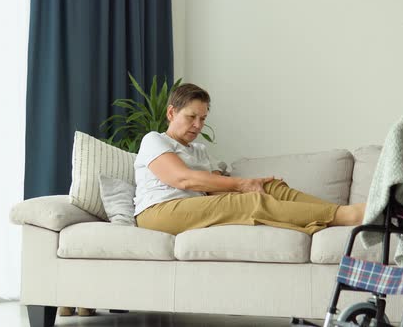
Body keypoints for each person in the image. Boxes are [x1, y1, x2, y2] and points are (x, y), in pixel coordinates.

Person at [134, 83, 365, 236]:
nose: (197, 125)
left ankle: (340, 212)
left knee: (269, 187)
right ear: (171, 113)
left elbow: (215, 191)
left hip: (192, 208)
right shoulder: (155, 140)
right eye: (191, 117)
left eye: (203, 119)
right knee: (248, 202)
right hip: (159, 212)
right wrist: (243, 185)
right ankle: (347, 216)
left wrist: (257, 186)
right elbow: (183, 180)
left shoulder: (200, 151)